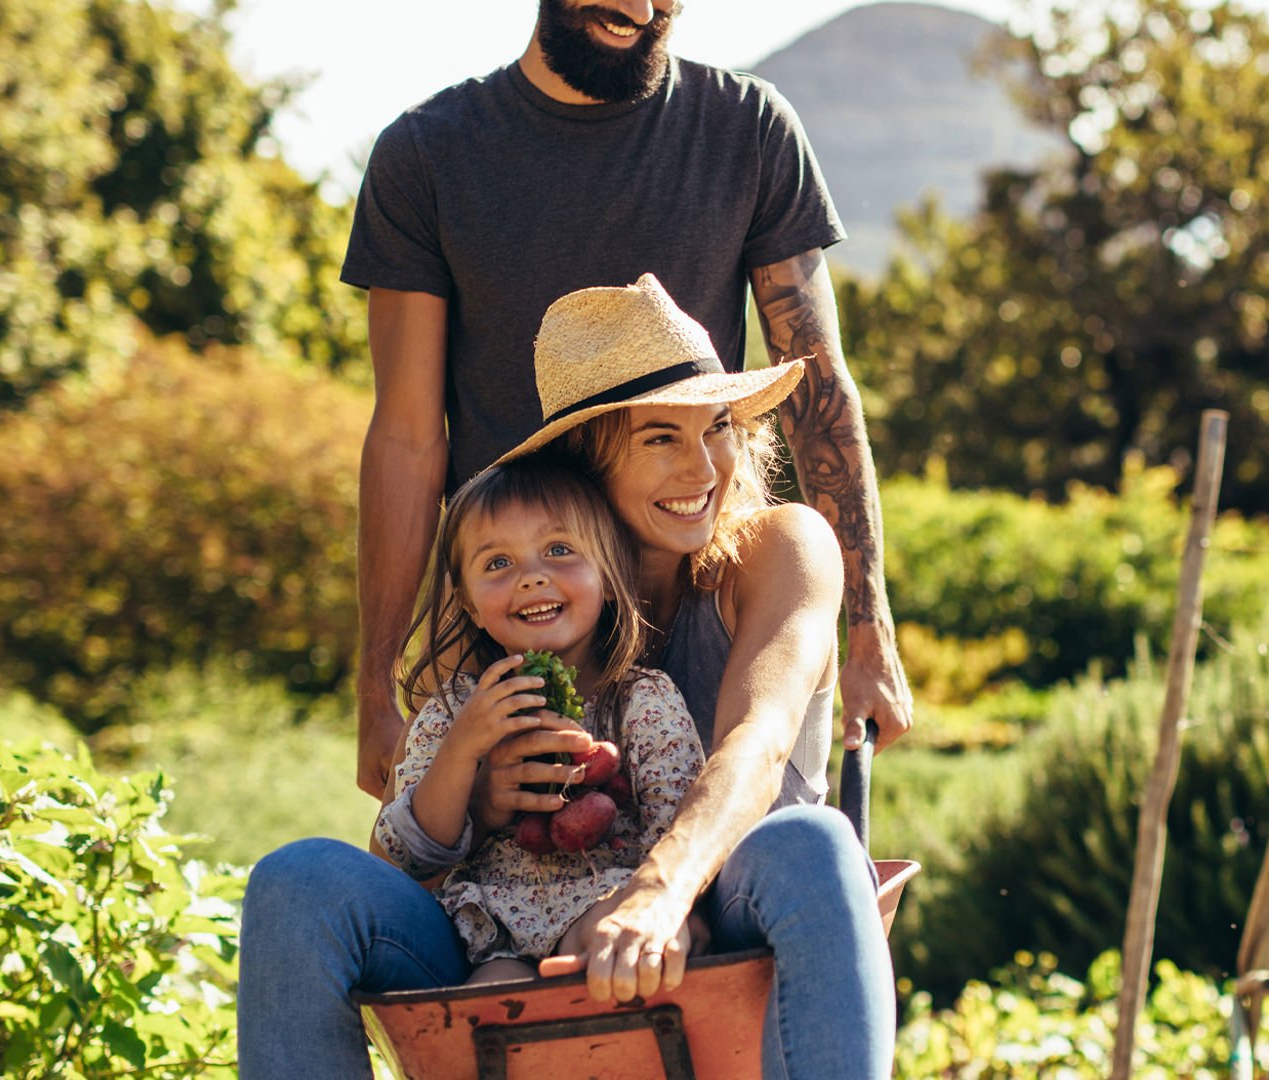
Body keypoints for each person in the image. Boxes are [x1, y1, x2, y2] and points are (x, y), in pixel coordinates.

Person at [239, 275, 893, 1078]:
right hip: (509, 937)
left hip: (728, 903)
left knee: (816, 839)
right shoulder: (513, 595)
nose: (703, 468)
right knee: (296, 880)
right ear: (587, 459)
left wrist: (658, 895)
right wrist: (480, 796)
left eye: (717, 428)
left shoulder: (779, 548)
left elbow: (754, 743)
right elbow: (416, 840)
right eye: (660, 438)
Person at [343, 0, 914, 803]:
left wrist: (867, 627)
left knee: (743, 857)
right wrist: (376, 683)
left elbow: (817, 387)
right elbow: (406, 436)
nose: (640, 10)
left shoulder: (746, 128)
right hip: (516, 616)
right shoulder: (429, 154)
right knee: (510, 899)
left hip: (697, 607)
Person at [372, 455, 705, 984]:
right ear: (470, 604)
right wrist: (463, 750)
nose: (531, 578)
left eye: (559, 550)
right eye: (497, 563)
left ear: (610, 577)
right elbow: (404, 855)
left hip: (609, 904)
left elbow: (681, 826)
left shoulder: (642, 700)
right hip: (491, 932)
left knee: (605, 940)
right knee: (492, 1007)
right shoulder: (455, 711)